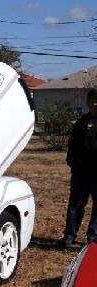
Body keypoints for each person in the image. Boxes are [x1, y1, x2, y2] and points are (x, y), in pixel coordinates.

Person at [60, 88, 97, 248]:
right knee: (75, 205)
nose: (96, 104)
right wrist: (72, 163)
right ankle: (69, 236)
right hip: (81, 173)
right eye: (93, 100)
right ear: (88, 103)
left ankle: (93, 237)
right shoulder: (81, 123)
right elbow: (72, 145)